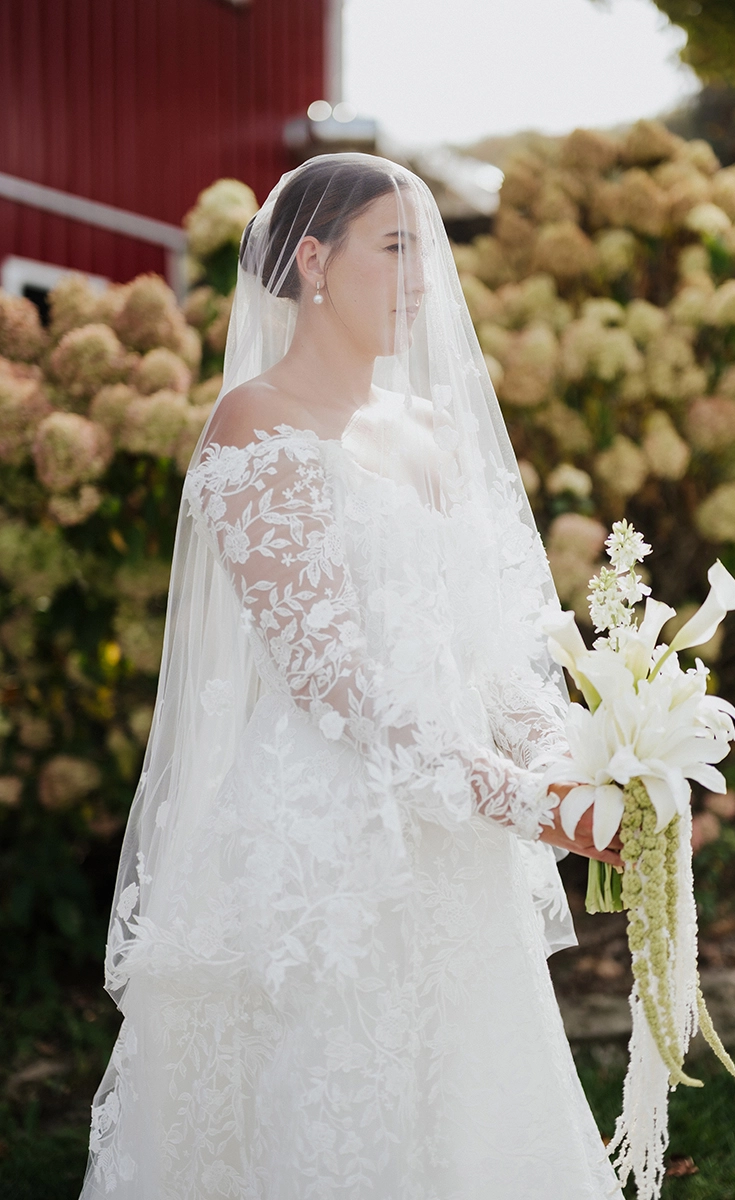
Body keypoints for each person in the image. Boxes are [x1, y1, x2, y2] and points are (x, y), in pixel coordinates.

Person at [83, 155, 623, 1197]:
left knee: (466, 1115)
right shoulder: (257, 422)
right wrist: (520, 800)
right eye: (397, 246)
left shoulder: (431, 432)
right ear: (316, 260)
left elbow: (493, 641)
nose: (425, 276)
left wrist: (567, 760)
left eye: (430, 248)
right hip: (324, 844)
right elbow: (333, 678)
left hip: (455, 840)